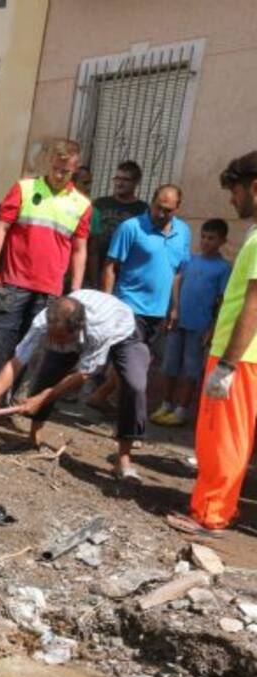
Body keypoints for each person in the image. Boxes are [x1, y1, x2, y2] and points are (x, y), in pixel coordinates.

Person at [167, 152, 257, 534]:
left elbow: (253, 305)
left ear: (254, 187)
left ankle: (211, 514)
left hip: (240, 356)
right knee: (224, 435)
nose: (232, 200)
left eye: (235, 191)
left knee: (223, 436)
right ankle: (219, 505)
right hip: (242, 356)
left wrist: (227, 365)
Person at [0, 291, 151, 479]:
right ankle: (33, 438)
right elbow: (16, 363)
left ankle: (123, 460)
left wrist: (43, 397)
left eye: (60, 338)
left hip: (123, 330)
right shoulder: (44, 321)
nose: (55, 342)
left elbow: (85, 373)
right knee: (49, 372)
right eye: (53, 335)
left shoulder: (100, 329)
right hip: (78, 329)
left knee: (135, 385)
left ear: (77, 329)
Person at [0, 138, 90, 400]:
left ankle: (6, 402)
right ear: (50, 162)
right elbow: (0, 227)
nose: (59, 175)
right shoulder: (24, 189)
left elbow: (80, 249)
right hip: (14, 282)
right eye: (56, 168)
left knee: (30, 348)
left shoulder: (81, 205)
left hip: (50, 290)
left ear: (75, 168)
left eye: (66, 171)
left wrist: (76, 290)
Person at [86, 185, 191, 412]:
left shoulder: (183, 232)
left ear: (177, 208)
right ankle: (126, 417)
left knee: (139, 362)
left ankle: (100, 395)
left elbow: (179, 271)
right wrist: (108, 303)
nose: (162, 214)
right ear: (151, 202)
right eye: (158, 208)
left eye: (168, 210)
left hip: (159, 311)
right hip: (130, 305)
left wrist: (174, 306)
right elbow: (111, 266)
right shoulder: (131, 228)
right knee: (133, 364)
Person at [153, 219, 232, 426]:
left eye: (211, 238)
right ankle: (166, 404)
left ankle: (181, 410)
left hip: (200, 326)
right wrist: (173, 310)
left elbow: (222, 301)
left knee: (191, 368)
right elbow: (177, 281)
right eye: (203, 237)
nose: (206, 242)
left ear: (222, 241)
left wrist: (213, 328)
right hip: (179, 322)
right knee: (169, 365)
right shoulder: (189, 260)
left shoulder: (223, 268)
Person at [90, 160, 147, 286]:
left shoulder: (142, 210)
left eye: (125, 180)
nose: (120, 183)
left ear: (136, 182)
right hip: (94, 268)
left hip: (124, 275)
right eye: (117, 178)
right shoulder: (100, 204)